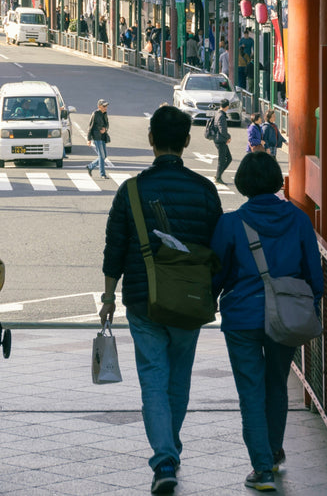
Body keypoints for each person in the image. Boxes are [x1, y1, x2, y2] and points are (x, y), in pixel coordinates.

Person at [100, 105, 223, 495]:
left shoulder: (132, 190)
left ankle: (164, 460)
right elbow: (215, 247)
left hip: (143, 298)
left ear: (151, 139)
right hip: (188, 300)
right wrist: (212, 292)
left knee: (153, 378)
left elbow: (114, 247)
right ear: (187, 142)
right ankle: (171, 447)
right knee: (179, 377)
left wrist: (107, 296)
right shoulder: (204, 190)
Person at [209, 152, 324, 491]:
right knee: (276, 384)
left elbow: (216, 274)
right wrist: (308, 305)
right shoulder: (300, 219)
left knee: (251, 391)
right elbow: (314, 277)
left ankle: (262, 470)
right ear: (277, 181)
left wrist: (212, 300)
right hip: (286, 316)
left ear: (243, 183)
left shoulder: (230, 224)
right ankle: (273, 453)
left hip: (242, 316)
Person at [205, 99, 233, 183]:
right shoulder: (221, 116)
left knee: (229, 158)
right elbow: (222, 130)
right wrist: (228, 137)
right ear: (227, 107)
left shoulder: (218, 113)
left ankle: (218, 175)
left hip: (219, 139)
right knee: (222, 160)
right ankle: (218, 177)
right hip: (220, 140)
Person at [86, 99, 110, 179]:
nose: (105, 107)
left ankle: (90, 166)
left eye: (106, 106)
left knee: (104, 156)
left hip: (103, 137)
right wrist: (88, 139)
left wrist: (105, 129)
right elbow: (90, 126)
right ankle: (102, 174)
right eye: (104, 106)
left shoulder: (105, 114)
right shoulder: (95, 114)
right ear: (99, 106)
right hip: (97, 137)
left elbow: (107, 124)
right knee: (101, 156)